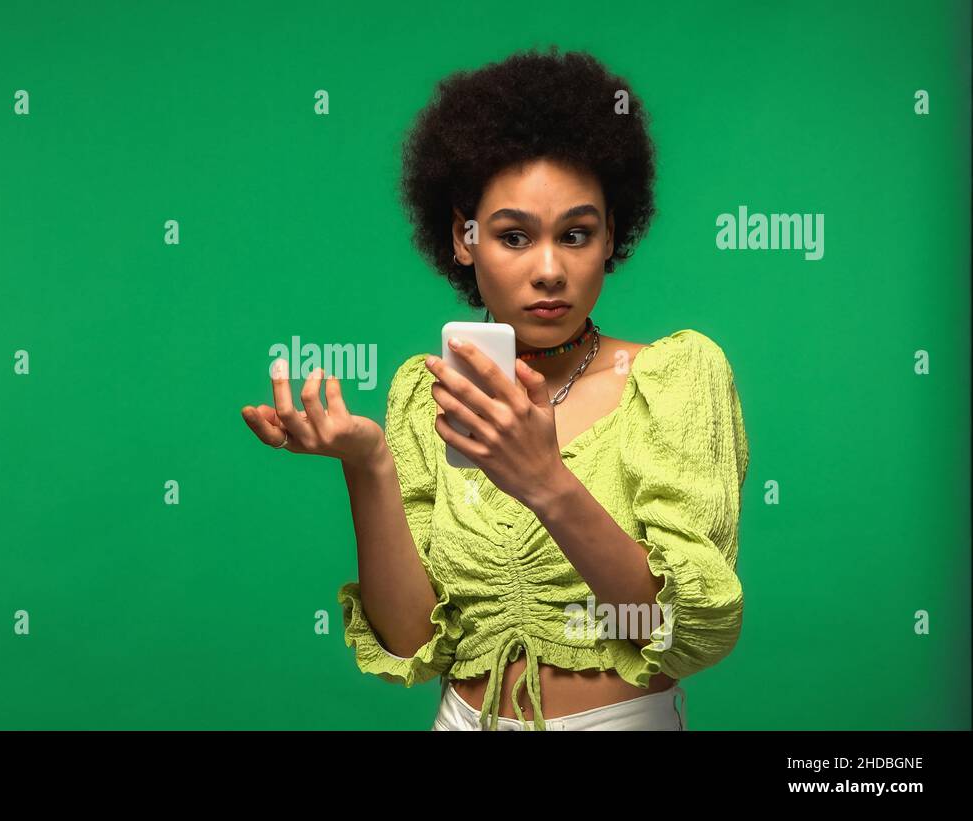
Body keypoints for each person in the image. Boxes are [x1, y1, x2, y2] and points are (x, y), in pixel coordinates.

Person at [240, 46, 748, 731]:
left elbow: (683, 629)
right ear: (464, 237)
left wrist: (545, 479)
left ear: (610, 239)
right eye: (514, 236)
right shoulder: (428, 395)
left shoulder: (674, 379)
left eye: (575, 234)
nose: (548, 269)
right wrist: (368, 464)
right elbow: (414, 640)